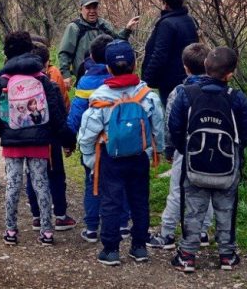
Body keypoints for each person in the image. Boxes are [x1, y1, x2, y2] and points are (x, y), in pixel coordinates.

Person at [168, 47, 247, 272]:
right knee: (226, 210)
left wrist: (185, 150)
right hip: (227, 169)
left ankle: (187, 255)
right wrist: (234, 154)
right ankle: (227, 255)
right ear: (231, 74)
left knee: (193, 209)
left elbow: (175, 128)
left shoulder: (186, 94)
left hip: (194, 166)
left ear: (205, 66)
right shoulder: (236, 98)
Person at [78, 40, 164, 266]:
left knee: (111, 202)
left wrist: (89, 157)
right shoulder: (147, 95)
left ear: (107, 68)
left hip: (110, 158)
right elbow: (158, 126)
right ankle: (139, 247)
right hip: (138, 157)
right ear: (135, 65)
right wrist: (159, 150)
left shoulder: (99, 97)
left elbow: (87, 133)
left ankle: (111, 249)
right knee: (139, 201)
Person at [0, 31, 76, 246]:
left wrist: (3, 133)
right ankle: (46, 232)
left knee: (13, 186)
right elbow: (56, 114)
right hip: (39, 141)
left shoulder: (3, 80)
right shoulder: (42, 79)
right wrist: (68, 140)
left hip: (12, 143)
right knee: (41, 183)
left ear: (7, 51)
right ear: (30, 49)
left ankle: (10, 230)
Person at [66, 34, 133, 243]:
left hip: (95, 144)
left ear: (92, 57)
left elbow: (77, 112)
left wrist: (69, 140)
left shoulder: (86, 81)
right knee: (122, 183)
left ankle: (92, 227)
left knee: (92, 183)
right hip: (124, 141)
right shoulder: (127, 81)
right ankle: (123, 225)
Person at [147, 43, 215, 250]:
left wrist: (170, 148)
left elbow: (171, 124)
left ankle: (167, 234)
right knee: (208, 189)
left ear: (185, 67)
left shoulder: (180, 92)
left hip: (185, 149)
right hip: (213, 150)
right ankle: (202, 232)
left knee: (177, 190)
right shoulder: (220, 91)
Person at [27, 41, 76, 232]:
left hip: (28, 138)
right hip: (50, 139)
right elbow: (61, 113)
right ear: (47, 63)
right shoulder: (52, 83)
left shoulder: (22, 84)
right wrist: (68, 141)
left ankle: (37, 216)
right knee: (55, 175)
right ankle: (60, 216)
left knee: (32, 176)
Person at [58, 0, 139, 89]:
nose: (92, 11)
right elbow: (65, 53)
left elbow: (115, 44)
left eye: (95, 7)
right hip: (85, 76)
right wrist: (66, 75)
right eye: (88, 8)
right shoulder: (74, 27)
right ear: (81, 9)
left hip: (107, 76)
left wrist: (127, 30)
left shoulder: (103, 24)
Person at [141, 0, 199, 108]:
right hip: (188, 76)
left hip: (170, 81)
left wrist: (146, 80)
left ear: (166, 4)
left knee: (171, 113)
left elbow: (159, 54)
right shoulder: (189, 20)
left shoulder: (166, 24)